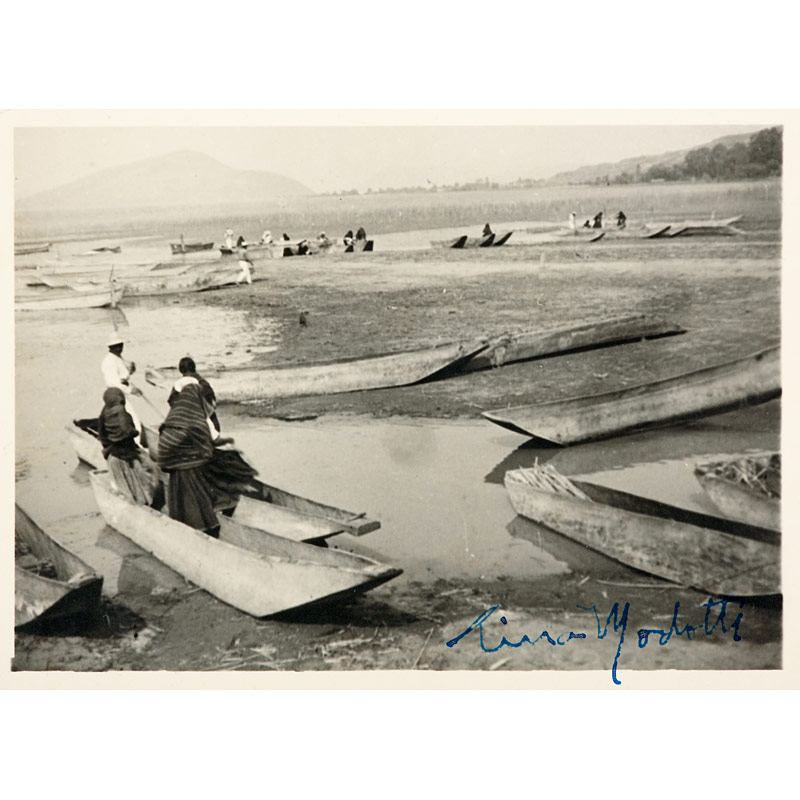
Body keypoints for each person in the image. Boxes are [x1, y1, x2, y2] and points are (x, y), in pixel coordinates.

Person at [157, 382, 256, 536]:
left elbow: (163, 454)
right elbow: (207, 452)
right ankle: (212, 524)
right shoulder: (197, 421)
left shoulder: (171, 420)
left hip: (176, 475)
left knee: (185, 507)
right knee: (221, 483)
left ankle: (189, 529)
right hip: (195, 472)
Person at [97, 387, 157, 505]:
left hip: (114, 456)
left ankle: (138, 504)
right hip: (128, 454)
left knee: (127, 488)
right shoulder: (121, 411)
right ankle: (147, 503)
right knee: (150, 473)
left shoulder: (104, 413)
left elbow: (103, 436)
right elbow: (129, 431)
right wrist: (135, 433)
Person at [101, 333, 143, 435]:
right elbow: (113, 383)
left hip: (122, 396)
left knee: (132, 421)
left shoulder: (118, 358)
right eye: (116, 346)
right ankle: (136, 445)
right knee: (134, 422)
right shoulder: (109, 361)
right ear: (110, 347)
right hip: (116, 397)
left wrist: (130, 372)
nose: (119, 348)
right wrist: (130, 390)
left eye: (120, 345)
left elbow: (123, 378)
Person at [168, 356, 221, 436]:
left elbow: (172, 404)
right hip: (212, 429)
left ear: (181, 370)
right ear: (194, 367)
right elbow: (213, 404)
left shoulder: (178, 386)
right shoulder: (204, 384)